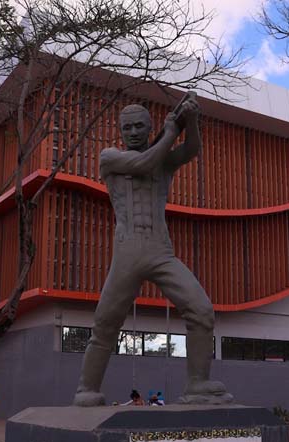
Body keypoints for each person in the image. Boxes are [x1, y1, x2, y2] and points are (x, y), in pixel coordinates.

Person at [73, 94, 233, 407]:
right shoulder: (111, 158)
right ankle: (86, 389)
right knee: (106, 321)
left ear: (149, 129)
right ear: (120, 131)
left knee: (201, 310)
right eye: (127, 127)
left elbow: (191, 150)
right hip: (128, 249)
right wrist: (172, 130)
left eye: (139, 126)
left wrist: (192, 121)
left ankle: (198, 383)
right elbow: (145, 163)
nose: (132, 132)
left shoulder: (164, 161)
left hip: (161, 249)